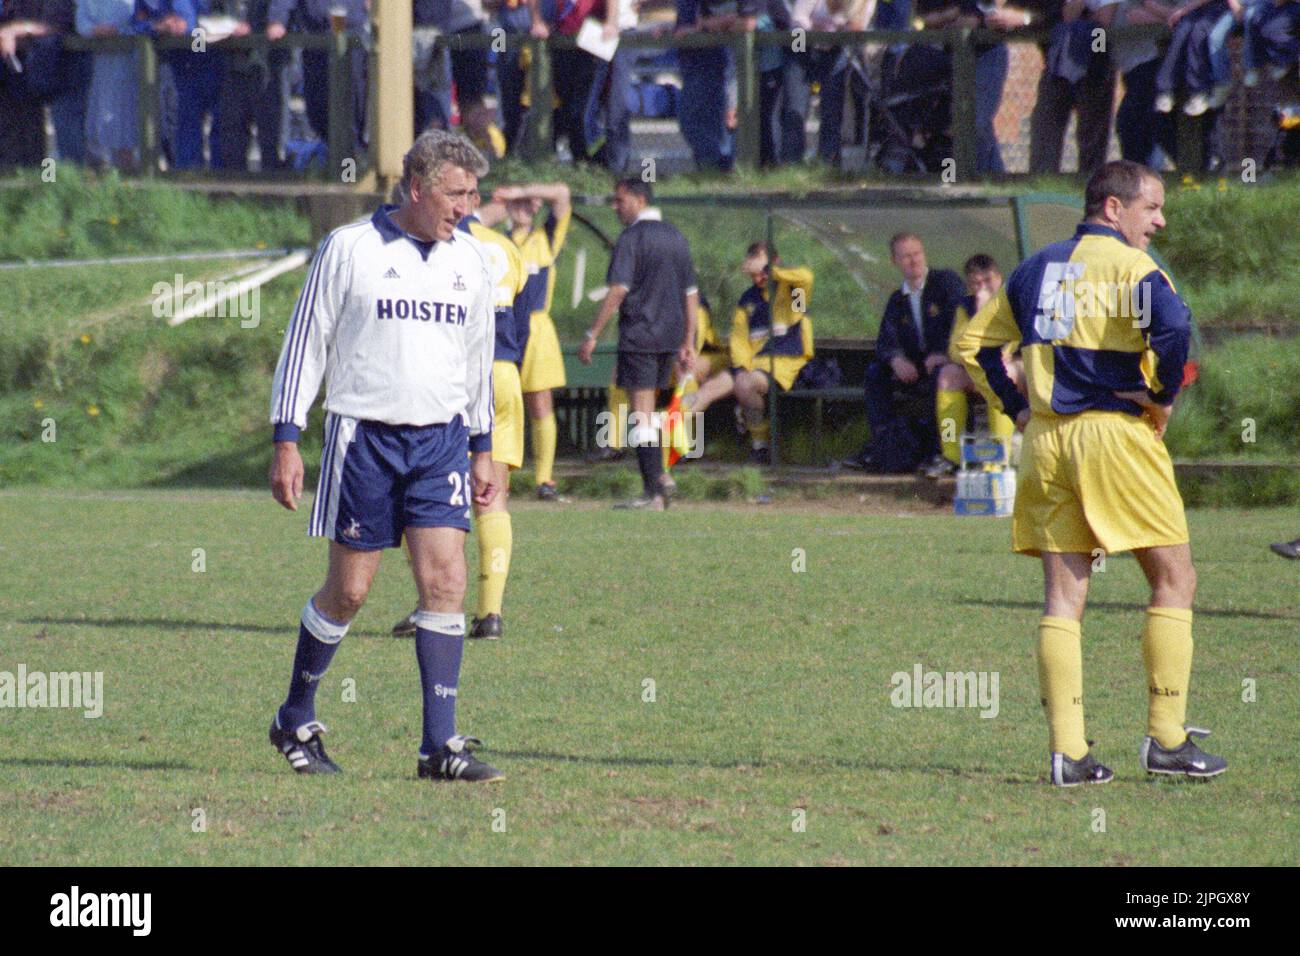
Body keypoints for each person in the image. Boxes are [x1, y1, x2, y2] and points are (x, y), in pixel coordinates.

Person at [957, 159, 1227, 786]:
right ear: (1113, 207)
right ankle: (1166, 737)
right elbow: (1177, 327)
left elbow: (973, 345)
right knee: (1175, 578)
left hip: (1047, 443)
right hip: (1114, 436)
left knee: (1063, 597)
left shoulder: (1035, 267)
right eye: (1152, 207)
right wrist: (1161, 394)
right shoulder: (1135, 269)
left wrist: (1019, 407)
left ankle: (1068, 753)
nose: (1159, 220)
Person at [265, 131, 505, 783]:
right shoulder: (351, 249)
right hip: (362, 439)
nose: (469, 206)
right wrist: (287, 436)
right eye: (458, 193)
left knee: (447, 583)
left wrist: (483, 448)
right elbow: (305, 343)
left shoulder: (473, 264)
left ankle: (439, 746)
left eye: (475, 194)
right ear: (418, 187)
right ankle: (294, 716)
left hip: (441, 443)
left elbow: (476, 362)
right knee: (350, 591)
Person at [577, 177, 698, 510]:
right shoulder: (676, 236)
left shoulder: (631, 239)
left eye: (620, 201)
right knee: (651, 413)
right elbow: (691, 294)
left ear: (639, 199)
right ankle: (658, 485)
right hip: (670, 339)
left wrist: (592, 334)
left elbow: (618, 289)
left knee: (641, 415)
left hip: (640, 336)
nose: (616, 208)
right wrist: (688, 340)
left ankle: (656, 486)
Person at [480, 181, 571, 501]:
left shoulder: (544, 237)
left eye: (528, 203)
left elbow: (561, 193)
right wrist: (504, 203)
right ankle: (493, 472)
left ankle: (545, 479)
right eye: (516, 204)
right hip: (502, 324)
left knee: (539, 401)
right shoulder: (497, 242)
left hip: (536, 324)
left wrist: (519, 192)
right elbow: (476, 219)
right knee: (495, 403)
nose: (522, 208)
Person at [844, 232, 964, 473]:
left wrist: (944, 352)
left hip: (949, 365)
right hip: (916, 369)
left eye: (917, 253)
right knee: (875, 374)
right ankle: (883, 446)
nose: (914, 260)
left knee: (942, 375)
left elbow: (961, 322)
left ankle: (940, 452)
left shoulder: (945, 283)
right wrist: (896, 359)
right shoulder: (897, 300)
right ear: (895, 261)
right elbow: (885, 341)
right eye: (906, 256)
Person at [925, 253, 1019, 478]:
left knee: (1002, 373)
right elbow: (956, 348)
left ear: (999, 277)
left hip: (1014, 370)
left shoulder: (1013, 300)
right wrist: (979, 312)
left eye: (988, 281)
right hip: (976, 369)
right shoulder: (964, 307)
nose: (983, 287)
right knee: (947, 375)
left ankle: (998, 456)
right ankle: (951, 453)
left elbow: (1016, 340)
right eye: (977, 283)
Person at [721, 241, 815, 465]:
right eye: (753, 272)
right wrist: (742, 367)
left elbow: (805, 278)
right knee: (718, 386)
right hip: (755, 365)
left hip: (788, 360)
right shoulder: (747, 299)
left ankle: (759, 445)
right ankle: (672, 446)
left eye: (761, 269)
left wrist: (768, 270)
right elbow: (738, 339)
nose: (757, 277)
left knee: (744, 385)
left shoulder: (794, 291)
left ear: (775, 262)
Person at [1028, 0, 1115, 176]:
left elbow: (1105, 20)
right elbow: (1069, 15)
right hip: (1060, 63)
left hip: (1096, 64)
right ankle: (1043, 184)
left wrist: (1084, 16)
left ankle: (1091, 183)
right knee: (1046, 126)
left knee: (1092, 133)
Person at [674, 0, 757, 171]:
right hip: (696, 63)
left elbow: (746, 20)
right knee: (695, 120)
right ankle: (713, 167)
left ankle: (719, 167)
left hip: (717, 63)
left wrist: (704, 26)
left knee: (711, 121)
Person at [77, 0, 140, 171]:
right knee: (104, 116)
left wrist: (118, 30)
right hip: (104, 66)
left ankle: (136, 172)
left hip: (132, 64)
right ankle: (108, 174)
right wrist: (94, 30)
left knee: (129, 118)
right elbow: (81, 22)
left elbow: (142, 21)